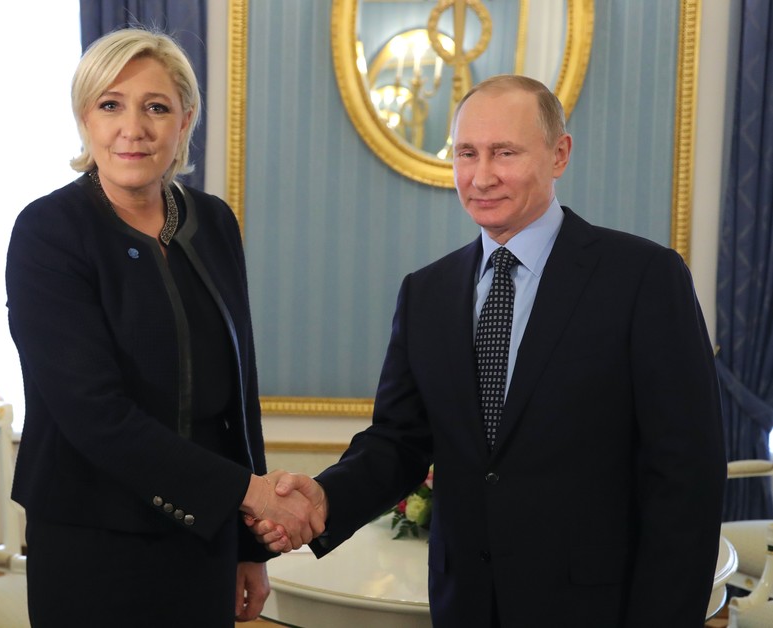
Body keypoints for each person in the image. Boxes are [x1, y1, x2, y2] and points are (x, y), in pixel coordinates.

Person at [249, 75, 726, 627]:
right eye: (466, 154)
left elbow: (687, 477)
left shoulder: (643, 278)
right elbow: (399, 442)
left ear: (559, 154)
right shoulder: (426, 292)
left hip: (598, 610)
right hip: (466, 606)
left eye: (505, 153)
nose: (481, 176)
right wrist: (323, 499)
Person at [5, 27, 322, 626]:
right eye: (110, 105)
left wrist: (248, 544)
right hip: (91, 536)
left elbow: (239, 389)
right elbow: (93, 414)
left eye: (156, 107)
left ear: (186, 119)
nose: (134, 127)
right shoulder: (47, 232)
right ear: (85, 119)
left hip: (202, 535)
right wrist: (246, 493)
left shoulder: (214, 221)